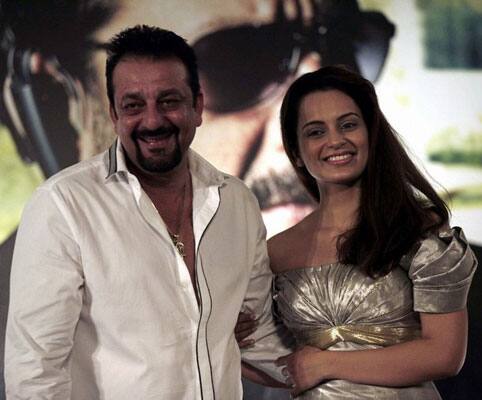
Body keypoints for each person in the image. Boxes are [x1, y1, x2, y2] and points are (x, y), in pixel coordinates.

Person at [4, 25, 292, 399]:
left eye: (169, 101)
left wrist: (346, 370)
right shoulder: (63, 205)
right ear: (113, 113)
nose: (153, 121)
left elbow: (256, 336)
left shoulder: (236, 201)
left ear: (197, 106)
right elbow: (35, 372)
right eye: (134, 105)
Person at [241, 65, 477, 398]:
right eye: (315, 132)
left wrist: (326, 365)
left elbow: (444, 355)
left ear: (371, 134)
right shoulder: (276, 251)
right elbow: (280, 362)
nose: (335, 140)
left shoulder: (417, 231)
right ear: (295, 150)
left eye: (348, 125)